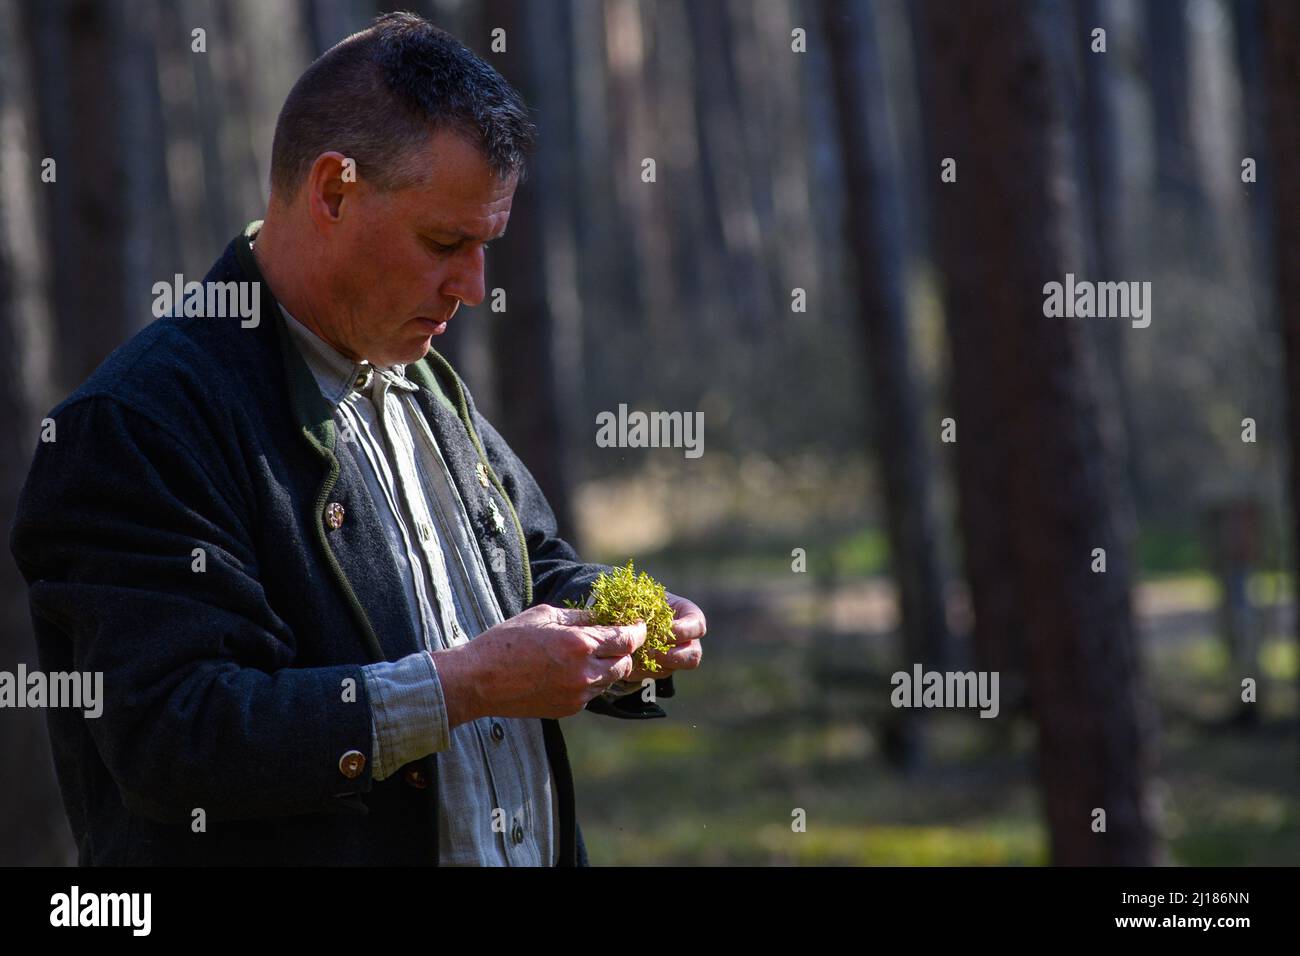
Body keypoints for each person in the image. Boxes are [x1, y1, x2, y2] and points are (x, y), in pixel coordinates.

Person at [8, 11, 705, 866]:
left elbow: (527, 569)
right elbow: (175, 735)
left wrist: (619, 624)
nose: (475, 287)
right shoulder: (136, 425)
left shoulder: (420, 380)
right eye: (445, 242)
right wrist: (465, 687)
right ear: (333, 192)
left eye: (486, 246)